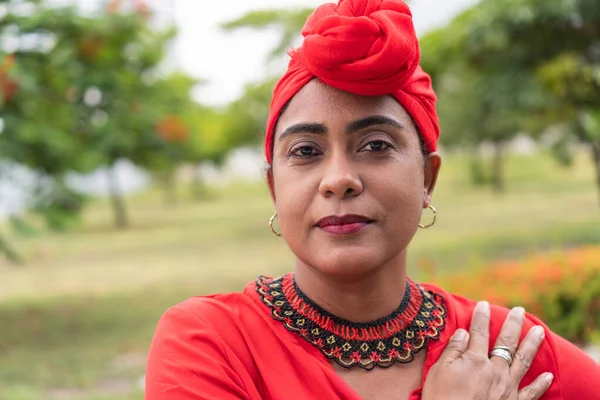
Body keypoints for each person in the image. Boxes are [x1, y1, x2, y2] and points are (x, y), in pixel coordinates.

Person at [145, 0, 600, 399]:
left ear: (427, 177)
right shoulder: (213, 344)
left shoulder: (508, 355)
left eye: (376, 145)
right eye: (306, 152)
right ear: (273, 188)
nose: (339, 179)